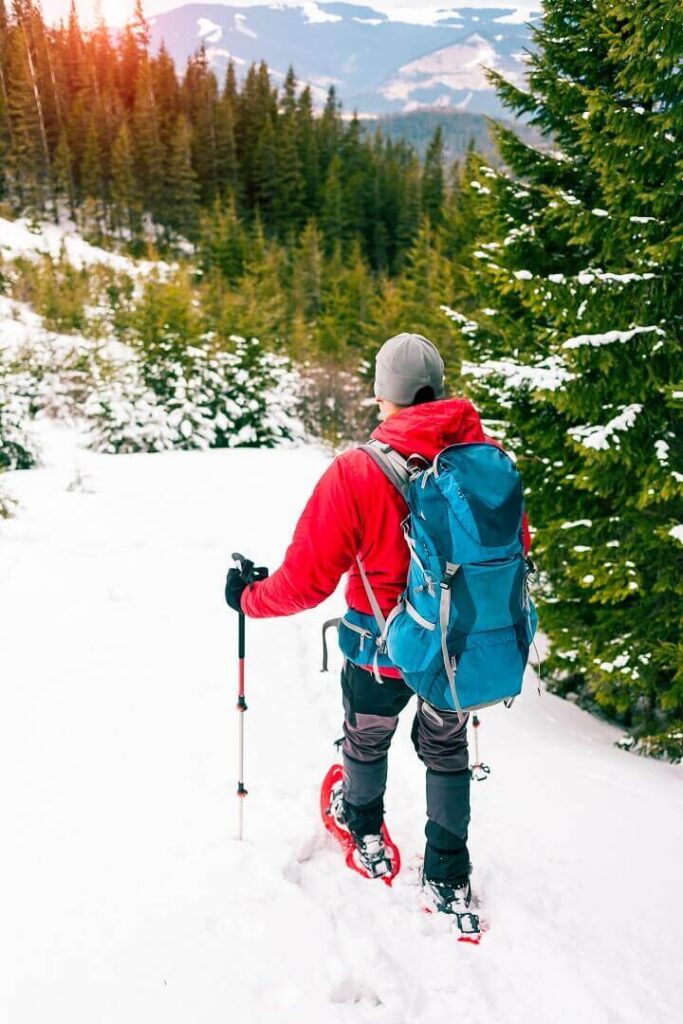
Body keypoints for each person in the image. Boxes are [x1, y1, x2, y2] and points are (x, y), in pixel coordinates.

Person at [225, 333, 530, 919]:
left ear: (382, 396)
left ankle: (365, 835)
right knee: (446, 752)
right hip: (455, 654)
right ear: (438, 390)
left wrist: (248, 599)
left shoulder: (356, 472)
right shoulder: (489, 468)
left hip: (380, 650)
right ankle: (447, 876)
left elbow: (306, 582)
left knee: (366, 738)